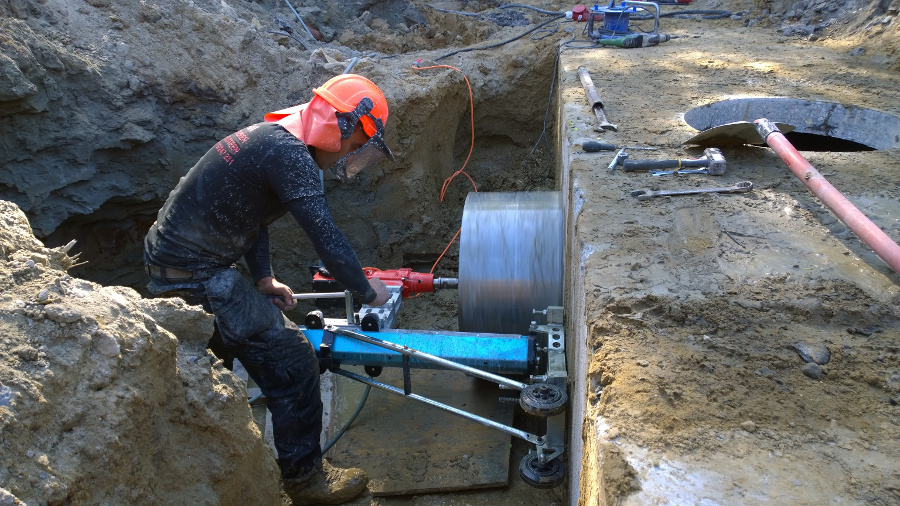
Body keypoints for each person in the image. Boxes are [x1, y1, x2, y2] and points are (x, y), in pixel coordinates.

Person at [143, 74, 394, 505]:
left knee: (210, 365)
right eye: (355, 146)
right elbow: (327, 239)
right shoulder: (291, 156)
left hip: (178, 261)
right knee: (294, 361)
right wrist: (368, 291)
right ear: (343, 125)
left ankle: (211, 457)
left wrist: (263, 278)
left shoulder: (273, 138)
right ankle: (306, 481)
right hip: (193, 274)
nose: (351, 155)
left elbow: (252, 214)